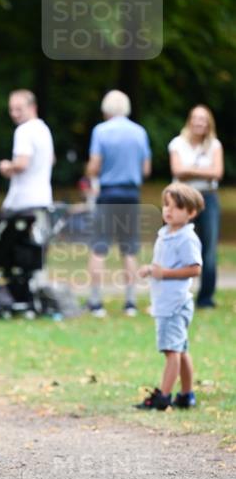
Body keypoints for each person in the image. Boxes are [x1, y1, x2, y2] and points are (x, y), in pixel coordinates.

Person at [136, 183, 204, 411]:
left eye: (176, 207)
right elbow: (162, 265)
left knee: (171, 351)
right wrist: (150, 269)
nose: (168, 210)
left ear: (191, 213)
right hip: (165, 302)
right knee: (180, 349)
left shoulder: (187, 238)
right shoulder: (165, 234)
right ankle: (186, 395)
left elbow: (195, 269)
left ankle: (164, 397)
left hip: (175, 304)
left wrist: (163, 273)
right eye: (166, 205)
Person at [85, 89, 152, 317]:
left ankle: (95, 302)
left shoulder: (100, 131)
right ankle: (130, 302)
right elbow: (146, 169)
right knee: (130, 249)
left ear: (106, 110)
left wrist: (92, 172)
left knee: (98, 248)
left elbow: (94, 166)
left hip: (108, 194)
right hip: (131, 195)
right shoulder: (139, 132)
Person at [168, 104, 223, 308]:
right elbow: (177, 171)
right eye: (196, 118)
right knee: (179, 247)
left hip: (209, 198)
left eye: (203, 119)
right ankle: (177, 296)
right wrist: (202, 170)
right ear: (189, 121)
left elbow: (217, 173)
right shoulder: (177, 143)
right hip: (182, 198)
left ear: (208, 123)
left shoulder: (214, 145)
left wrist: (189, 169)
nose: (199, 122)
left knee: (208, 249)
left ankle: (206, 298)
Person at [0, 89, 54, 215]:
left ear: (32, 107)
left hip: (23, 203)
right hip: (44, 199)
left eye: (19, 109)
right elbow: (51, 160)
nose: (14, 113)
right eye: (11, 109)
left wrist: (8, 166)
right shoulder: (44, 129)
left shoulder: (23, 130)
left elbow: (22, 164)